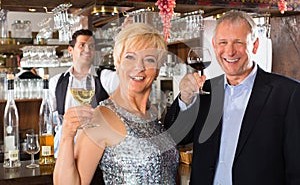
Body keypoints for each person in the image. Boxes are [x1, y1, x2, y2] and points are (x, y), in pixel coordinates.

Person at [164, 11, 300, 185]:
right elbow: (175, 137)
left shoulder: (289, 94)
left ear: (255, 45)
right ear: (214, 45)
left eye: (238, 42)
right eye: (223, 42)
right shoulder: (205, 91)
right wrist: (184, 99)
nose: (230, 51)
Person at [53, 23, 179, 185]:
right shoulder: (102, 117)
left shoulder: (152, 112)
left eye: (149, 59)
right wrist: (67, 136)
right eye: (130, 57)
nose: (138, 67)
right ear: (118, 63)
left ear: (158, 68)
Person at [49, 29, 118, 158]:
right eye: (82, 45)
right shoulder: (56, 82)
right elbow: (50, 119)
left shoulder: (104, 77)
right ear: (71, 50)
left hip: (97, 152)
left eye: (91, 46)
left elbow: (125, 84)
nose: (87, 49)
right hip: (64, 151)